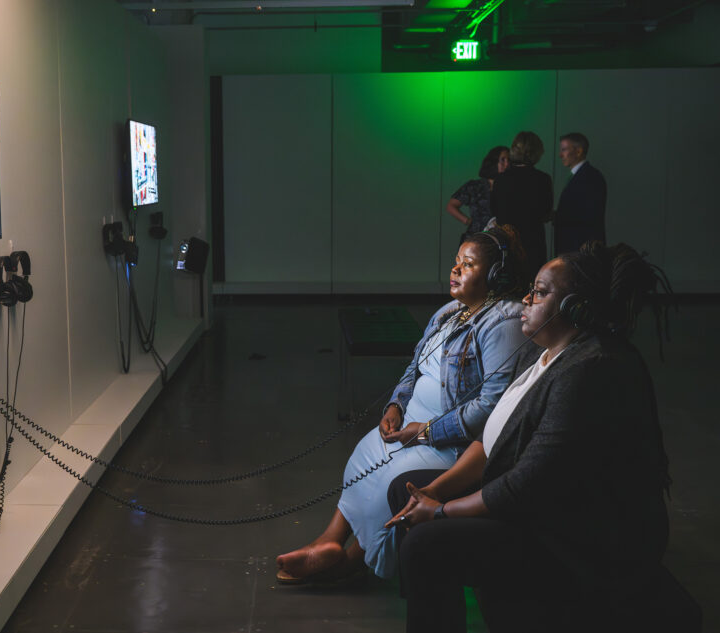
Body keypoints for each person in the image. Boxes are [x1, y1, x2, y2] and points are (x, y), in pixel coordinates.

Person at [385, 242, 672, 633]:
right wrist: (432, 492)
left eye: (538, 291)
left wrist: (439, 511)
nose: (525, 298)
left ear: (575, 307)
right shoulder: (538, 352)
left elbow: (526, 486)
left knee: (424, 543)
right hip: (534, 509)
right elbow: (489, 443)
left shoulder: (590, 369)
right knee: (405, 491)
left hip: (570, 539)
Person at [275, 225, 531, 584]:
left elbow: (489, 406)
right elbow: (415, 366)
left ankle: (351, 561)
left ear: (495, 276)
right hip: (411, 425)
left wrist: (426, 432)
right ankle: (329, 541)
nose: (455, 270)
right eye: (456, 261)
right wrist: (395, 405)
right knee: (364, 457)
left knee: (388, 482)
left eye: (468, 265)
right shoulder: (449, 311)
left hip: (451, 442)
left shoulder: (502, 322)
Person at [491, 131, 553, 283]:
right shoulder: (543, 179)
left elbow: (494, 210)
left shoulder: (500, 179)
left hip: (506, 242)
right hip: (533, 243)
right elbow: (546, 212)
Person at [555, 132, 607, 255]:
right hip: (576, 249)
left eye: (564, 150)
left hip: (580, 250)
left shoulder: (591, 177)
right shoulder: (585, 176)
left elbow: (590, 215)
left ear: (578, 151)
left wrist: (559, 216)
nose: (560, 155)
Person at [446, 146, 510, 241]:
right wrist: (468, 221)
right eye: (503, 160)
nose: (507, 164)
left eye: (509, 160)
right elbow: (451, 206)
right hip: (476, 239)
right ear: (493, 161)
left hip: (501, 239)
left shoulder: (509, 187)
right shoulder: (475, 186)